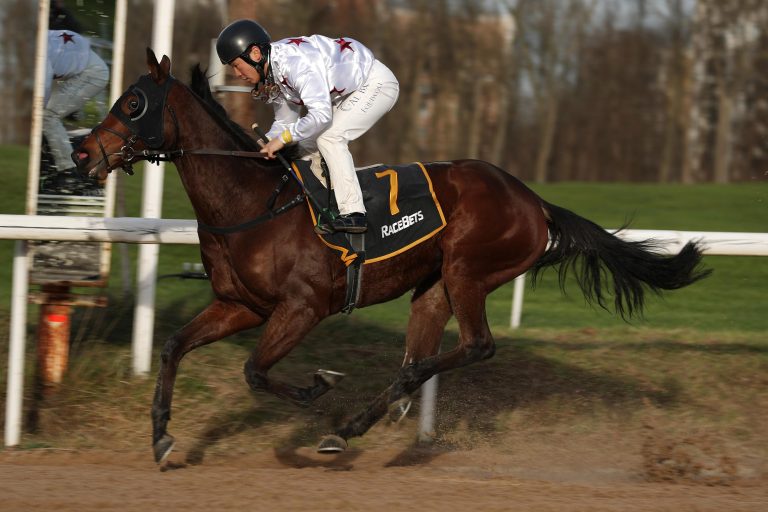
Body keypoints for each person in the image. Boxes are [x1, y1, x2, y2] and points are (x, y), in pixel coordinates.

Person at [216, 19, 400, 233]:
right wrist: (261, 145)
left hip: (376, 84)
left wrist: (282, 139)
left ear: (255, 54)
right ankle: (326, 203)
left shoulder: (296, 64)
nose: (237, 74)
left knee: (328, 138)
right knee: (301, 147)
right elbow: (285, 123)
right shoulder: (272, 72)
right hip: (345, 95)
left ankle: (354, 213)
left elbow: (320, 116)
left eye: (237, 65)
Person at [43, 29, 109, 180]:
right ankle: (54, 163)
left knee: (47, 116)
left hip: (93, 74)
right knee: (45, 116)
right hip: (82, 69)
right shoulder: (38, 38)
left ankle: (68, 172)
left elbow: (42, 91)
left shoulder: (40, 49)